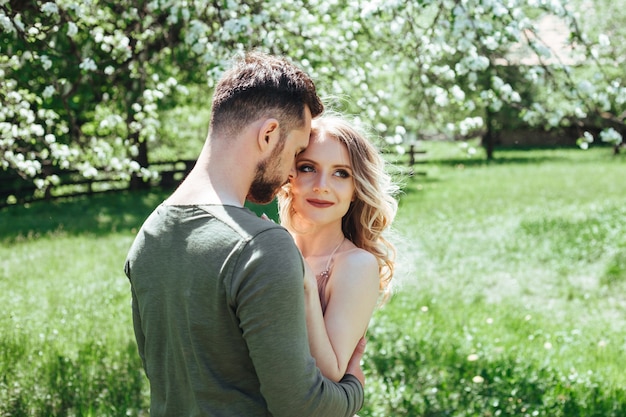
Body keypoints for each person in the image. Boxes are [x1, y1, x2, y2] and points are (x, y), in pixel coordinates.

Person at [124, 52, 366, 417]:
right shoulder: (262, 247)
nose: (290, 174)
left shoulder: (150, 235)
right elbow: (306, 408)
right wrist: (354, 389)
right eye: (298, 152)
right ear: (269, 134)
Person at [277, 114, 398, 384]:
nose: (322, 186)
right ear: (289, 175)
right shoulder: (273, 245)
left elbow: (328, 372)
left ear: (356, 189)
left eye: (341, 174)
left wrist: (306, 284)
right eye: (308, 168)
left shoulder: (356, 264)